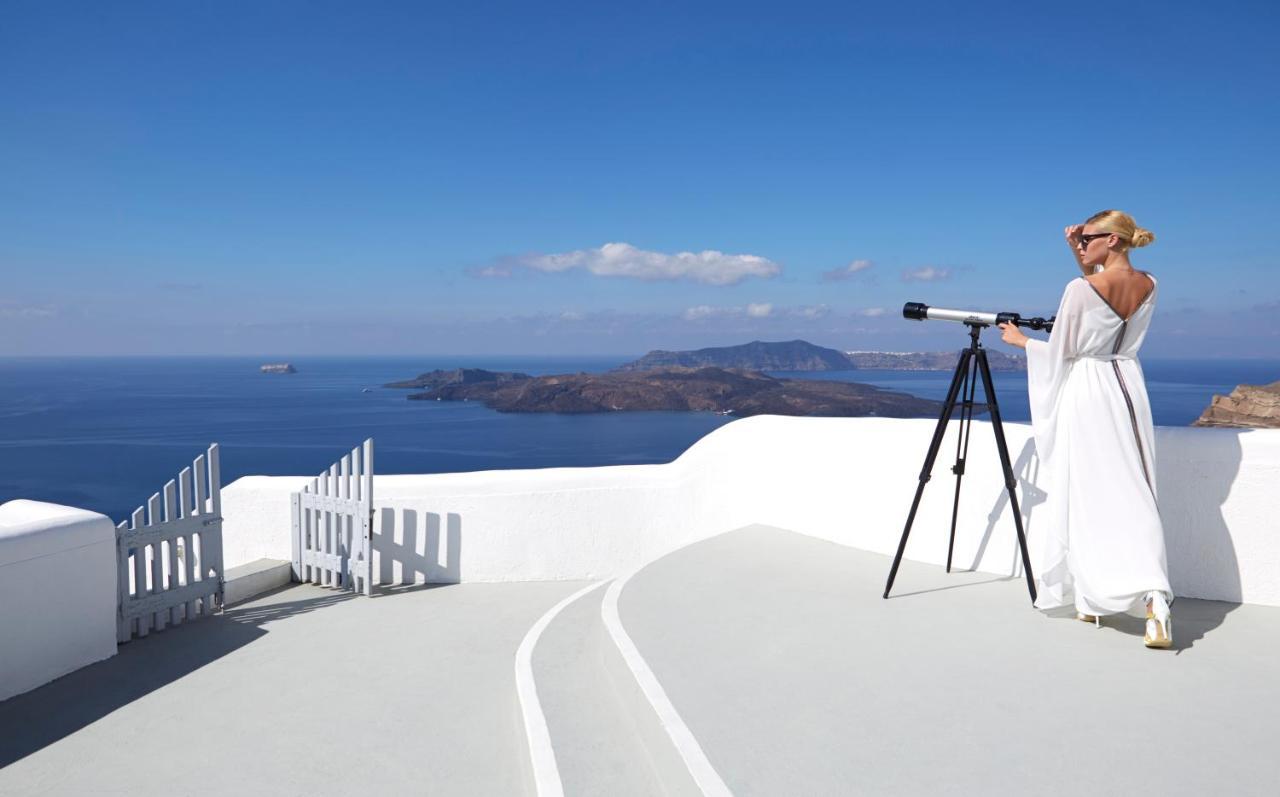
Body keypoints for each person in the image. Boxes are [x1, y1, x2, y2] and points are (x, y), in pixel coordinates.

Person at [997, 209, 1174, 649]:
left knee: (1088, 490)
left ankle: (1095, 595)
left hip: (1088, 390)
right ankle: (1151, 594)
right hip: (1129, 386)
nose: (1081, 244)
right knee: (1137, 488)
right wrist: (1075, 250)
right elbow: (1104, 298)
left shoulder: (1079, 288)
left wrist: (1023, 344)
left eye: (1087, 238)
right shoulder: (1150, 283)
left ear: (1112, 240)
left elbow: (1064, 351)